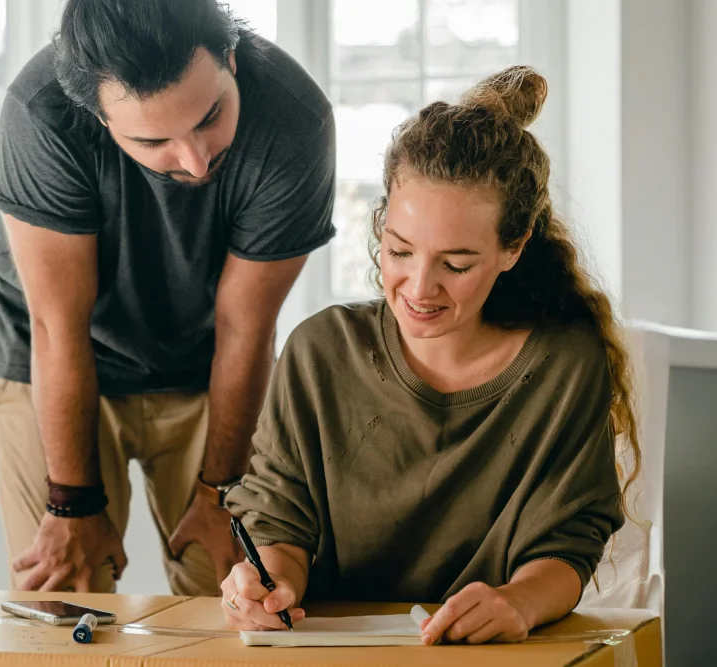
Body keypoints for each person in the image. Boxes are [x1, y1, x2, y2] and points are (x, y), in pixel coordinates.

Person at [219, 65, 642, 645]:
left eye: (457, 264)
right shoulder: (320, 352)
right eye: (399, 251)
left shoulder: (564, 365)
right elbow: (279, 519)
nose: (418, 288)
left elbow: (568, 541)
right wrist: (271, 583)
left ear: (513, 248)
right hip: (333, 653)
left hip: (491, 656)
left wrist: (518, 602)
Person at [0, 0, 335, 596]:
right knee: (67, 599)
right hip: (55, 355)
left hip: (211, 358)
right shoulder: (39, 116)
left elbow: (246, 326)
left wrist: (221, 492)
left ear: (229, 57)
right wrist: (71, 506)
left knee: (233, 597)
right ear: (98, 117)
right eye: (154, 140)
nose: (194, 160)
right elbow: (57, 326)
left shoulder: (295, 120)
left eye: (209, 116)